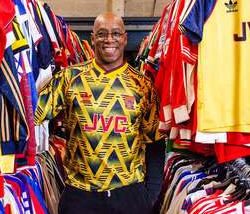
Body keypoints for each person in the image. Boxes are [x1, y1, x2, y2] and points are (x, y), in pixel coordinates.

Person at [35, 12, 165, 214]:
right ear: (93, 38)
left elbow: (155, 143)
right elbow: (30, 113)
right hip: (80, 196)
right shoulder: (69, 78)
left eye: (115, 33)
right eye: (102, 34)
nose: (109, 39)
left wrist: (150, 195)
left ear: (124, 38)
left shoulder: (142, 85)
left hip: (130, 196)